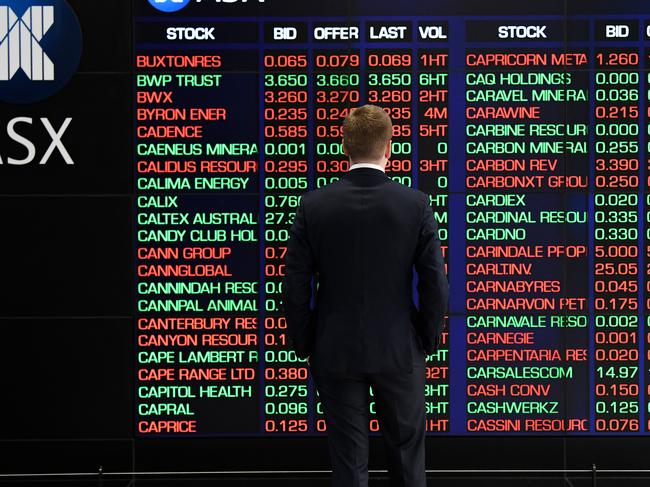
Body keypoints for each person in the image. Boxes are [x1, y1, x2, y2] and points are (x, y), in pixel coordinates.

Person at [282, 104, 449, 487]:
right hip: (399, 348)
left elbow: (294, 285)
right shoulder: (415, 204)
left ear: (344, 144)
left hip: (335, 348)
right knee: (408, 462)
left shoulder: (314, 205)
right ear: (390, 146)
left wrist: (307, 341)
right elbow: (435, 284)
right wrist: (424, 339)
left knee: (348, 464)